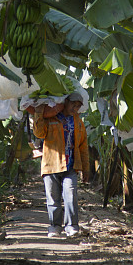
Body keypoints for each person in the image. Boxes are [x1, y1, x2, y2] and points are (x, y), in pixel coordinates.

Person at [32, 92, 90, 238]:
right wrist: (38, 113)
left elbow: (83, 147)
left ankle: (71, 226)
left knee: (71, 195)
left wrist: (86, 169)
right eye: (73, 104)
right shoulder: (50, 118)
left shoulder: (78, 122)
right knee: (53, 198)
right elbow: (39, 134)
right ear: (65, 103)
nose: (75, 108)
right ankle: (55, 227)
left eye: (78, 106)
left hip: (71, 165)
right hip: (51, 165)